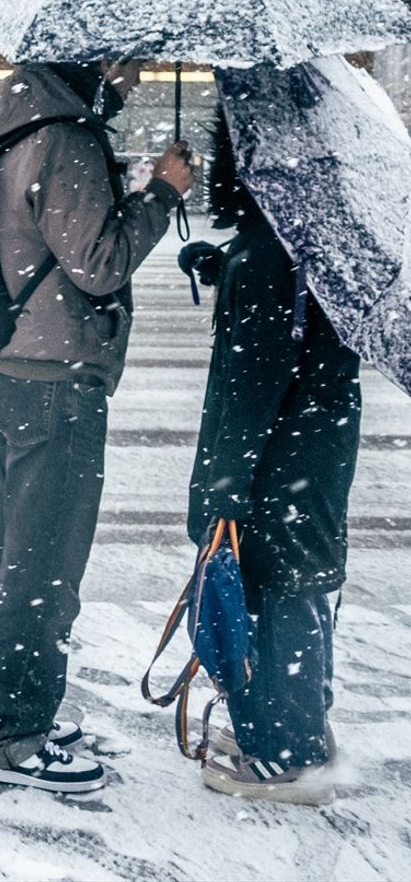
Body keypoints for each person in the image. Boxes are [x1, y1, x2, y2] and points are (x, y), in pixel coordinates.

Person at [0, 60, 193, 794]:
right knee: (42, 568)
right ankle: (12, 736)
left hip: (9, 366)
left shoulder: (20, 118)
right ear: (96, 59)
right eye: (129, 64)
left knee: (13, 557)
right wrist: (163, 193)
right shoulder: (65, 138)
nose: (134, 80)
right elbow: (98, 262)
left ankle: (8, 708)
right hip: (53, 378)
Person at [179, 113, 359, 805]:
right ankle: (303, 727)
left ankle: (286, 757)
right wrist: (227, 265)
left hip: (275, 462)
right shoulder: (313, 241)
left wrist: (225, 484)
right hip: (314, 452)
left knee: (273, 590)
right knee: (301, 587)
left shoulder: (269, 258)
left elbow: (250, 388)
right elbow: (299, 335)